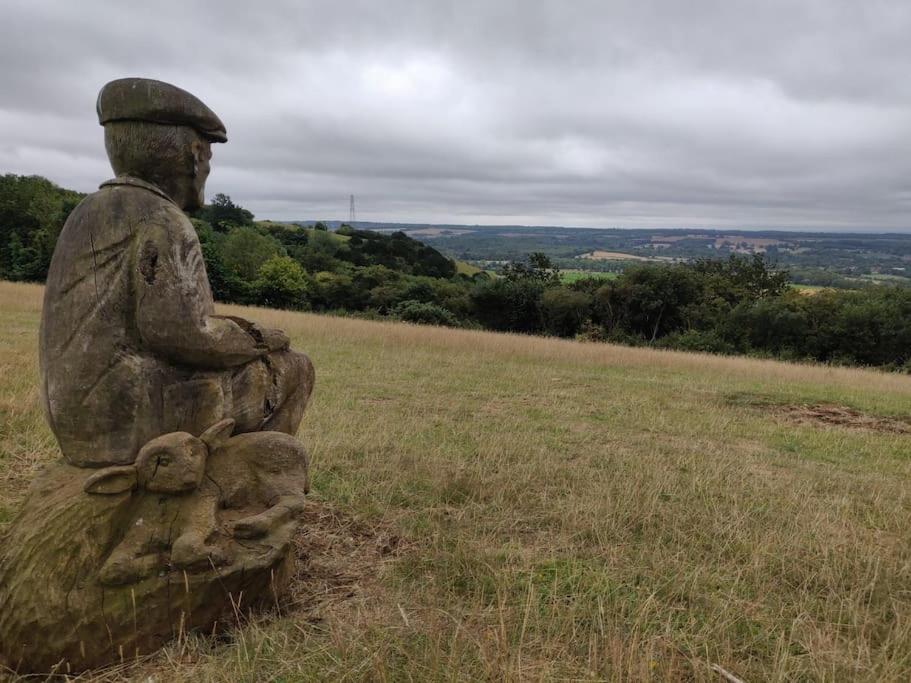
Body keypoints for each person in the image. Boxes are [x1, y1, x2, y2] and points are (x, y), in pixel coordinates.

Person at [39, 78, 313, 467]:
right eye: (209, 158)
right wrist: (260, 339)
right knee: (296, 368)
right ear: (194, 156)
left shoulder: (87, 210)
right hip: (124, 412)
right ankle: (251, 479)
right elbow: (181, 333)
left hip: (75, 415)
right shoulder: (163, 219)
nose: (208, 171)